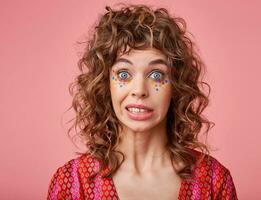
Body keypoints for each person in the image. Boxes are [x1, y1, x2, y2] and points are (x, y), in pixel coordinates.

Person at [47, 4, 238, 200]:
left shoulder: (214, 181)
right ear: (105, 84)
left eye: (156, 74)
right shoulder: (72, 182)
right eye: (123, 74)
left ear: (176, 85)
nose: (139, 90)